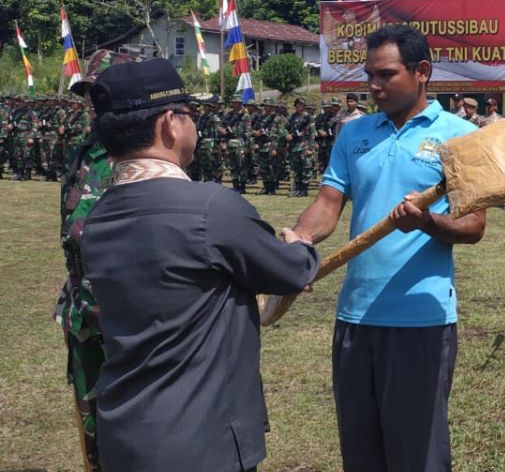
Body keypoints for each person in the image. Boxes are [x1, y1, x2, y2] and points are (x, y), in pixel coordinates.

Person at [82, 59, 319, 472]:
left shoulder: (99, 213)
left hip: (125, 428)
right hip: (199, 438)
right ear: (169, 124)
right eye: (190, 115)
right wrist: (300, 245)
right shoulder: (209, 208)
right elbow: (291, 271)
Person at [289, 25, 485, 471]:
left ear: (422, 72)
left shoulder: (460, 135)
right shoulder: (353, 134)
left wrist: (427, 221)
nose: (373, 86)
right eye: (369, 75)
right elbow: (327, 203)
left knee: (417, 452)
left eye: (386, 75)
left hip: (420, 320)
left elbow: (474, 225)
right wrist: (299, 241)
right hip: (355, 317)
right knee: (361, 451)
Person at [54, 51, 134, 471]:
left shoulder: (140, 156)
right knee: (91, 422)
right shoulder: (82, 152)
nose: (92, 101)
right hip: (83, 311)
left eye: (101, 93)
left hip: (124, 313)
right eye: (88, 93)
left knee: (135, 418)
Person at [286, 98, 316, 198]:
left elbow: (312, 134)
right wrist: (287, 135)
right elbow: (286, 128)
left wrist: (311, 148)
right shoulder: (292, 117)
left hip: (305, 145)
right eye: (298, 104)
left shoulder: (308, 117)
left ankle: (304, 189)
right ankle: (297, 189)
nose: (300, 106)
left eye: (302, 105)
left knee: (306, 168)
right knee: (296, 168)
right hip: (294, 146)